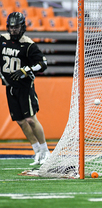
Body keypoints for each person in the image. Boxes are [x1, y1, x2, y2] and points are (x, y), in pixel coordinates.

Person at [0, 12, 50, 166]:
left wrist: (26, 70)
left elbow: (43, 64)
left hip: (25, 87)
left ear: (22, 26)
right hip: (10, 87)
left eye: (16, 27)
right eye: (11, 27)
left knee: (30, 119)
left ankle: (46, 151)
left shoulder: (28, 44)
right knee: (21, 121)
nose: (13, 30)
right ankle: (37, 151)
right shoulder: (2, 40)